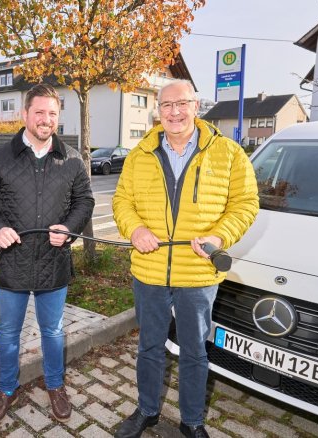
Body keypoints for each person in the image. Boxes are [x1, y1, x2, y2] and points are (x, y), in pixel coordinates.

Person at [112, 79, 259, 438]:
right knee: (149, 347)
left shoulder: (227, 153)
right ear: (158, 112)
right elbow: (121, 201)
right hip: (149, 270)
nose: (175, 112)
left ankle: (192, 421)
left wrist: (219, 236)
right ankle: (147, 410)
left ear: (196, 106)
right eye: (166, 105)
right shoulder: (139, 154)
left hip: (198, 273)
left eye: (182, 104)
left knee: (195, 351)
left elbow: (246, 203)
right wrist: (135, 231)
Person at [0, 83, 94, 425]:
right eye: (39, 112)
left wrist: (69, 228)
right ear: (25, 114)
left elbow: (85, 201)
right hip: (12, 263)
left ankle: (55, 385)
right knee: (8, 333)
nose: (46, 119)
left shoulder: (70, 159)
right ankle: (6, 388)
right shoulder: (1, 157)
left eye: (52, 113)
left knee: (52, 331)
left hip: (53, 264)